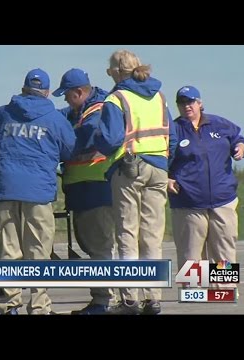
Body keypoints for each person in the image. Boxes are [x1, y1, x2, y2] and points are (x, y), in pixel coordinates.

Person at [0, 68, 76, 315]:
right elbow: (69, 150)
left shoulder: (5, 113)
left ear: (23, 89)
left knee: (7, 250)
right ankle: (40, 306)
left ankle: (9, 304)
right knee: (38, 251)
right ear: (48, 92)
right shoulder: (55, 119)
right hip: (39, 194)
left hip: (5, 190)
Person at [94, 49, 178, 315]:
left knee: (127, 234)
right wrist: (163, 162)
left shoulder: (117, 98)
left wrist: (97, 140)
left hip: (129, 169)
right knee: (152, 236)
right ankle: (152, 299)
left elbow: (109, 139)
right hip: (159, 168)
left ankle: (129, 299)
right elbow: (172, 138)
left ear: (118, 72)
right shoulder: (160, 97)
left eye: (109, 72)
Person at [168, 86, 244, 291]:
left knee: (224, 245)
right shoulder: (174, 129)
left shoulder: (218, 124)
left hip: (223, 198)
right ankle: (193, 289)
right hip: (189, 202)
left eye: (191, 102)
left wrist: (241, 148)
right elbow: (162, 158)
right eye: (182, 103)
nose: (187, 106)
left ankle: (225, 288)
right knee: (191, 249)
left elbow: (238, 139)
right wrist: (166, 179)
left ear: (200, 103)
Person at [52, 68, 116, 315]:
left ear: (79, 92)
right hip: (84, 192)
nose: (66, 100)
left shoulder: (96, 112)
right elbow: (60, 116)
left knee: (100, 248)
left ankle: (103, 302)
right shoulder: (80, 110)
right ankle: (209, 289)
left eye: (67, 95)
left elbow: (79, 139)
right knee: (94, 246)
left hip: (96, 190)